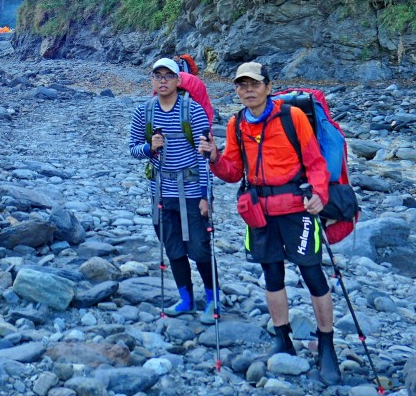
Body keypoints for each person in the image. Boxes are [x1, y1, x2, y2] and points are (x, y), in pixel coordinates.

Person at [198, 62, 341, 384]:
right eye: (241, 85)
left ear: (267, 86)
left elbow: (315, 161)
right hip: (260, 210)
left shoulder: (292, 117)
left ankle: (326, 345)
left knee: (312, 274)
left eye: (253, 84)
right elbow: (234, 172)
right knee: (272, 275)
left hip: (297, 208)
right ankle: (282, 338)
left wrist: (319, 193)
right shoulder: (235, 124)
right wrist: (215, 158)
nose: (247, 89)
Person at [128, 57, 216, 322]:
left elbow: (204, 155)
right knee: (173, 246)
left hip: (190, 190)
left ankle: (213, 299)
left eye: (169, 76)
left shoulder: (194, 111)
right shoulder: (144, 112)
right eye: (158, 76)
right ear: (152, 81)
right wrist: (150, 147)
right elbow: (133, 148)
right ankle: (186, 298)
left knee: (200, 247)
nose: (163, 80)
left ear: (179, 81)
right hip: (160, 190)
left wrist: (205, 196)